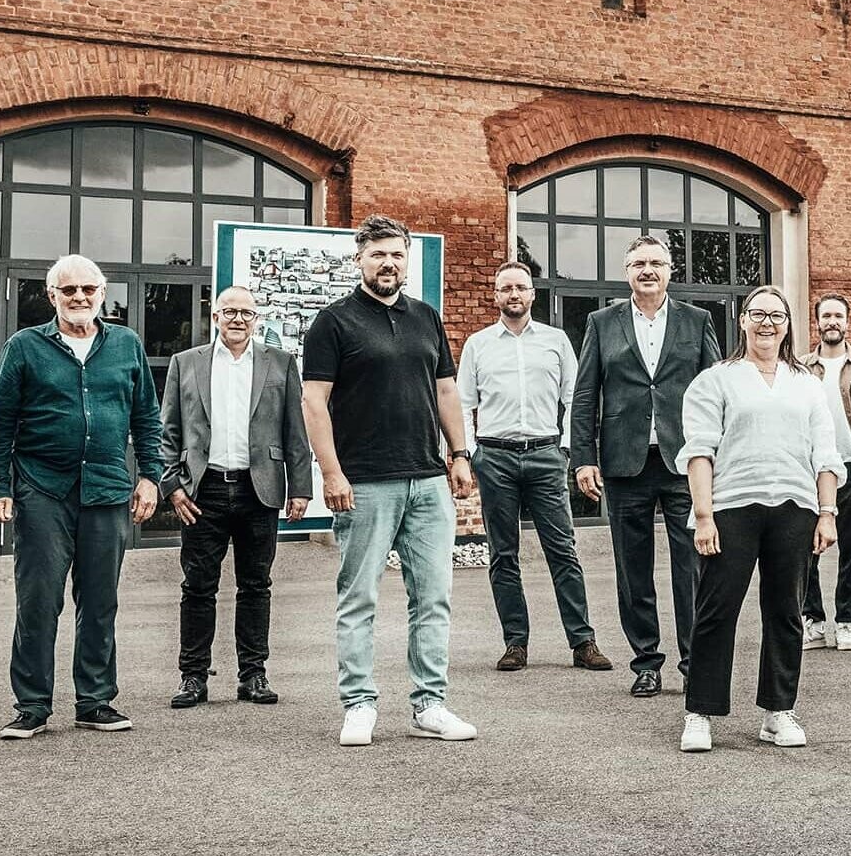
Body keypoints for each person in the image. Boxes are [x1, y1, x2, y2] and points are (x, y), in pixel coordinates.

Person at [303, 215, 479, 746]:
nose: (388, 263)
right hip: (365, 482)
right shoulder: (333, 322)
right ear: (359, 259)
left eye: (397, 254)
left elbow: (447, 392)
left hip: (428, 480)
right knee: (359, 598)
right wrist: (331, 472)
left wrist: (460, 454)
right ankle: (358, 704)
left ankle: (430, 705)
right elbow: (314, 402)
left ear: (408, 260)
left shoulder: (426, 317)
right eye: (378, 254)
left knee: (433, 597)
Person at [0, 254, 163, 740]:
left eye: (88, 289)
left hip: (107, 489)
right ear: (52, 297)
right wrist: (0, 488)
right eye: (69, 290)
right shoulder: (25, 346)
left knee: (100, 601)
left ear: (102, 293)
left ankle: (95, 701)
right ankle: (31, 706)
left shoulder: (126, 345)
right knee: (38, 600)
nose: (79, 298)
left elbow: (146, 418)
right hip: (43, 489)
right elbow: (0, 421)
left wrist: (149, 476)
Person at [676, 286, 842, 752]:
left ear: (788, 325)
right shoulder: (716, 380)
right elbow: (700, 451)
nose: (767, 323)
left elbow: (824, 454)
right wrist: (704, 515)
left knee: (786, 612)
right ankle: (700, 713)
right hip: (731, 506)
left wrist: (826, 513)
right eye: (758, 314)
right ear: (743, 321)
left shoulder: (806, 384)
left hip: (794, 507)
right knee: (716, 610)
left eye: (776, 315)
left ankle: (778, 711)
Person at [570, 236, 722, 697]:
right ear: (627, 271)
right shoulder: (602, 322)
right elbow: (584, 394)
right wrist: (583, 458)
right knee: (632, 567)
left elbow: (717, 390)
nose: (648, 270)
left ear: (670, 270)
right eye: (639, 263)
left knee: (692, 566)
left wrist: (718, 456)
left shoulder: (697, 322)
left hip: (683, 461)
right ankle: (647, 662)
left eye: (656, 262)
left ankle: (695, 660)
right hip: (624, 462)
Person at [158, 285, 313, 709]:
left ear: (257, 319)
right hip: (201, 490)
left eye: (246, 313)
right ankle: (193, 677)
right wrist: (171, 485)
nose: (238, 320)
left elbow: (295, 430)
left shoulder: (279, 364)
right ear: (216, 316)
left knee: (256, 585)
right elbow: (168, 430)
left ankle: (253, 674)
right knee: (197, 587)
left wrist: (300, 488)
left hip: (258, 489)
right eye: (230, 312)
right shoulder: (186, 363)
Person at [458, 261, 613, 673]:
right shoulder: (478, 344)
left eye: (520, 288)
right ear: (496, 296)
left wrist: (565, 448)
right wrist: (471, 452)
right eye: (505, 287)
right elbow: (462, 403)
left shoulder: (556, 341)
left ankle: (582, 642)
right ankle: (515, 643)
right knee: (502, 554)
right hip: (496, 458)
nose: (513, 294)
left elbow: (575, 398)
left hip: (545, 455)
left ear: (532, 295)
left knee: (562, 550)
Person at [797, 293, 851, 653]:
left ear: (847, 321)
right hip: (814, 468)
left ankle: (845, 622)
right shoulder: (801, 367)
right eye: (826, 316)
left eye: (838, 316)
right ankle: (813, 622)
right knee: (806, 549)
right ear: (817, 321)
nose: (832, 322)